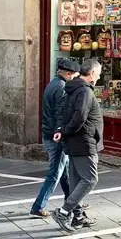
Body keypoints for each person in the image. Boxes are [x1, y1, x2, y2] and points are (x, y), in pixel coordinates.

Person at [52, 59, 104, 232]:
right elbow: (79, 117)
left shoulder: (72, 89)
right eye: (99, 72)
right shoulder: (84, 92)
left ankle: (78, 216)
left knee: (75, 181)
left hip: (75, 141)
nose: (100, 76)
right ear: (91, 74)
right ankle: (64, 212)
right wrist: (65, 130)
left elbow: (65, 113)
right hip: (83, 142)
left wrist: (62, 130)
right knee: (90, 179)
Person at [29, 59, 80, 218]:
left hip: (49, 133)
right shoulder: (62, 87)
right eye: (76, 76)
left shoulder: (52, 84)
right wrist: (61, 133)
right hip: (55, 136)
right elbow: (60, 114)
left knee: (64, 172)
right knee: (55, 173)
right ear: (69, 74)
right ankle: (38, 206)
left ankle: (73, 202)